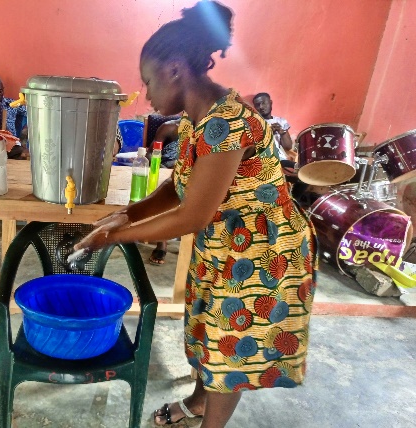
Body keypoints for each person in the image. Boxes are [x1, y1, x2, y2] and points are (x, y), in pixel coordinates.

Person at [73, 2, 318, 427]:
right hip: (226, 245)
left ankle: (212, 423)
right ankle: (199, 401)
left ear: (173, 70)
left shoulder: (228, 123)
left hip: (261, 250)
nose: (146, 94)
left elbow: (193, 215)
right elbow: (177, 187)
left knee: (231, 344)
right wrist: (124, 216)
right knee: (208, 329)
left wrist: (113, 237)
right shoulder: (196, 120)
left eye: (148, 81)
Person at [147, 117, 181, 265]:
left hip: (191, 173)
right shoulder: (169, 128)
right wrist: (160, 170)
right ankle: (162, 242)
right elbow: (150, 153)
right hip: (165, 170)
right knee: (165, 195)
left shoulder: (210, 129)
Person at [0, 76, 29, 159]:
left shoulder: (12, 104)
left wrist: (24, 136)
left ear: (3, 89)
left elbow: (30, 113)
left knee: (24, 155)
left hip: (11, 143)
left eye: (0, 91)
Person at [252, 92, 295, 163]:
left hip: (280, 159)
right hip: (263, 159)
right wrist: (268, 134)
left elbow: (288, 147)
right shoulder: (254, 123)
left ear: (270, 102)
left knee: (297, 169)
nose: (261, 107)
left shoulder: (281, 121)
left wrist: (282, 133)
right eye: (257, 105)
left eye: (263, 103)